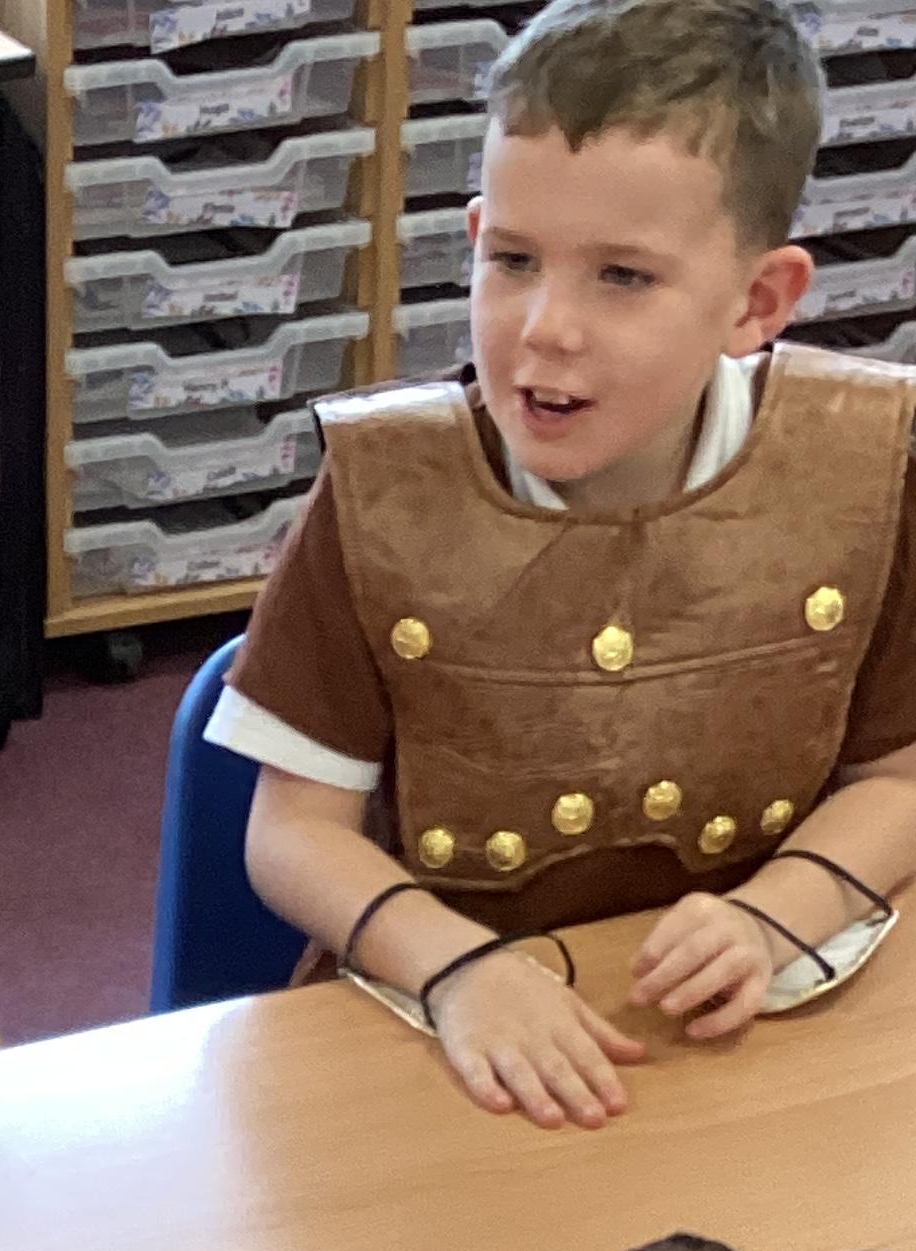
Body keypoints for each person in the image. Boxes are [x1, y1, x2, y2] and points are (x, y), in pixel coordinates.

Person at [213, 0, 916, 1133]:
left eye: (622, 276)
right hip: (456, 1059)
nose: (545, 327)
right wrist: (460, 972)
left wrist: (777, 915)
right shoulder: (386, 490)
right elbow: (292, 832)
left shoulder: (866, 465)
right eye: (513, 260)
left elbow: (902, 777)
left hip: (740, 1051)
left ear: (757, 302)